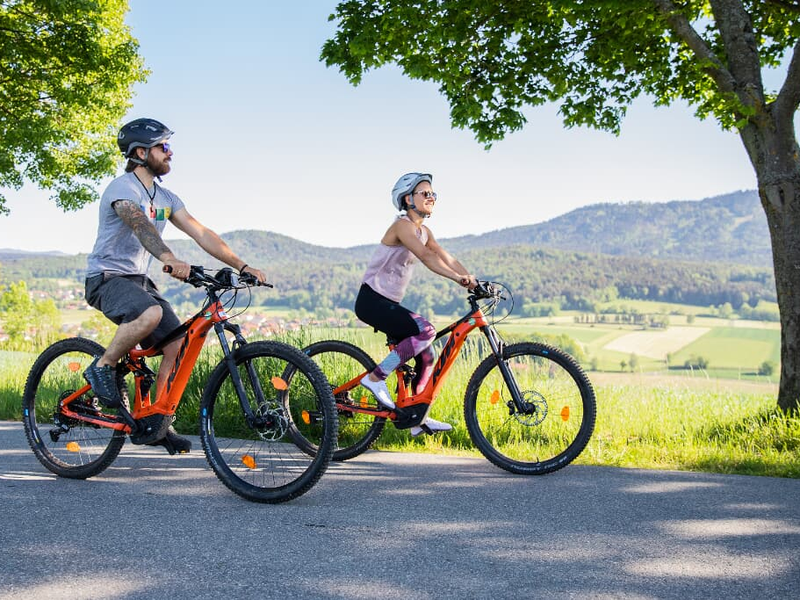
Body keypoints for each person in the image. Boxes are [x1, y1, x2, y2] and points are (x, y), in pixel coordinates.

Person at [82, 118, 267, 453]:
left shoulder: (166, 197)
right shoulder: (123, 189)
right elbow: (139, 225)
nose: (170, 153)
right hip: (107, 279)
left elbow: (201, 233)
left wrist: (241, 265)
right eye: (163, 147)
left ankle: (158, 419)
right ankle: (102, 368)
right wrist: (169, 257)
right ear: (141, 152)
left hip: (139, 281)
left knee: (177, 343)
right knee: (150, 312)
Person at [355, 172, 477, 437]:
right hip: (371, 300)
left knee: (427, 353)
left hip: (389, 303)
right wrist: (458, 279)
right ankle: (375, 378)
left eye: (433, 193)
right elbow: (425, 257)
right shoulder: (402, 226)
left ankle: (416, 417)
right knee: (427, 331)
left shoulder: (424, 231)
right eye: (425, 193)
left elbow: (444, 256)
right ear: (408, 198)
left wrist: (474, 281)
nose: (431, 197)